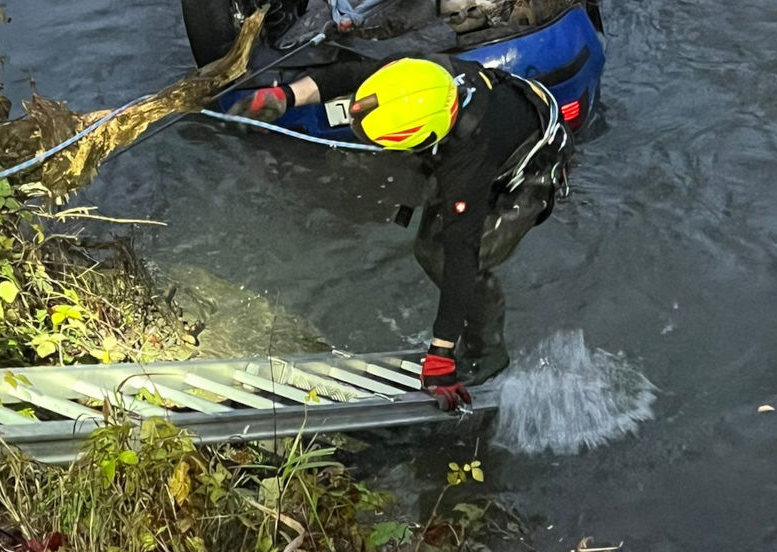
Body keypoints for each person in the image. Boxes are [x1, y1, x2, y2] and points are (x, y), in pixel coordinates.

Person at [229, 55, 572, 410]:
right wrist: (285, 96)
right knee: (421, 236)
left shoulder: (468, 164)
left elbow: (461, 252)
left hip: (528, 172)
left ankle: (487, 350)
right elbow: (353, 71)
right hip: (492, 126)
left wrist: (441, 353)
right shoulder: (419, 74)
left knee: (438, 254)